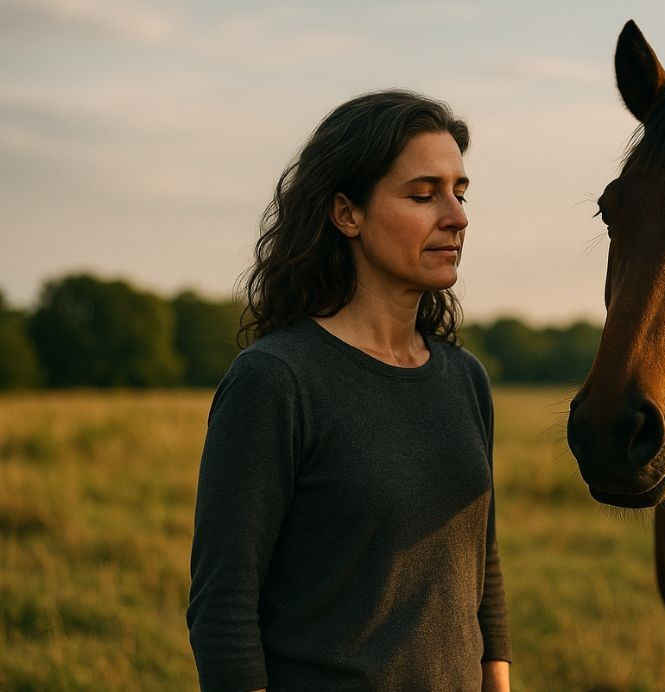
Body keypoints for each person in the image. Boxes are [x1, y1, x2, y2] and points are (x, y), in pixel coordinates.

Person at [186, 90, 511, 691]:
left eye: (459, 193)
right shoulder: (275, 381)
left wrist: (497, 679)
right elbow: (224, 604)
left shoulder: (466, 379)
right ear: (347, 213)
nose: (457, 216)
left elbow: (478, 566)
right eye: (423, 194)